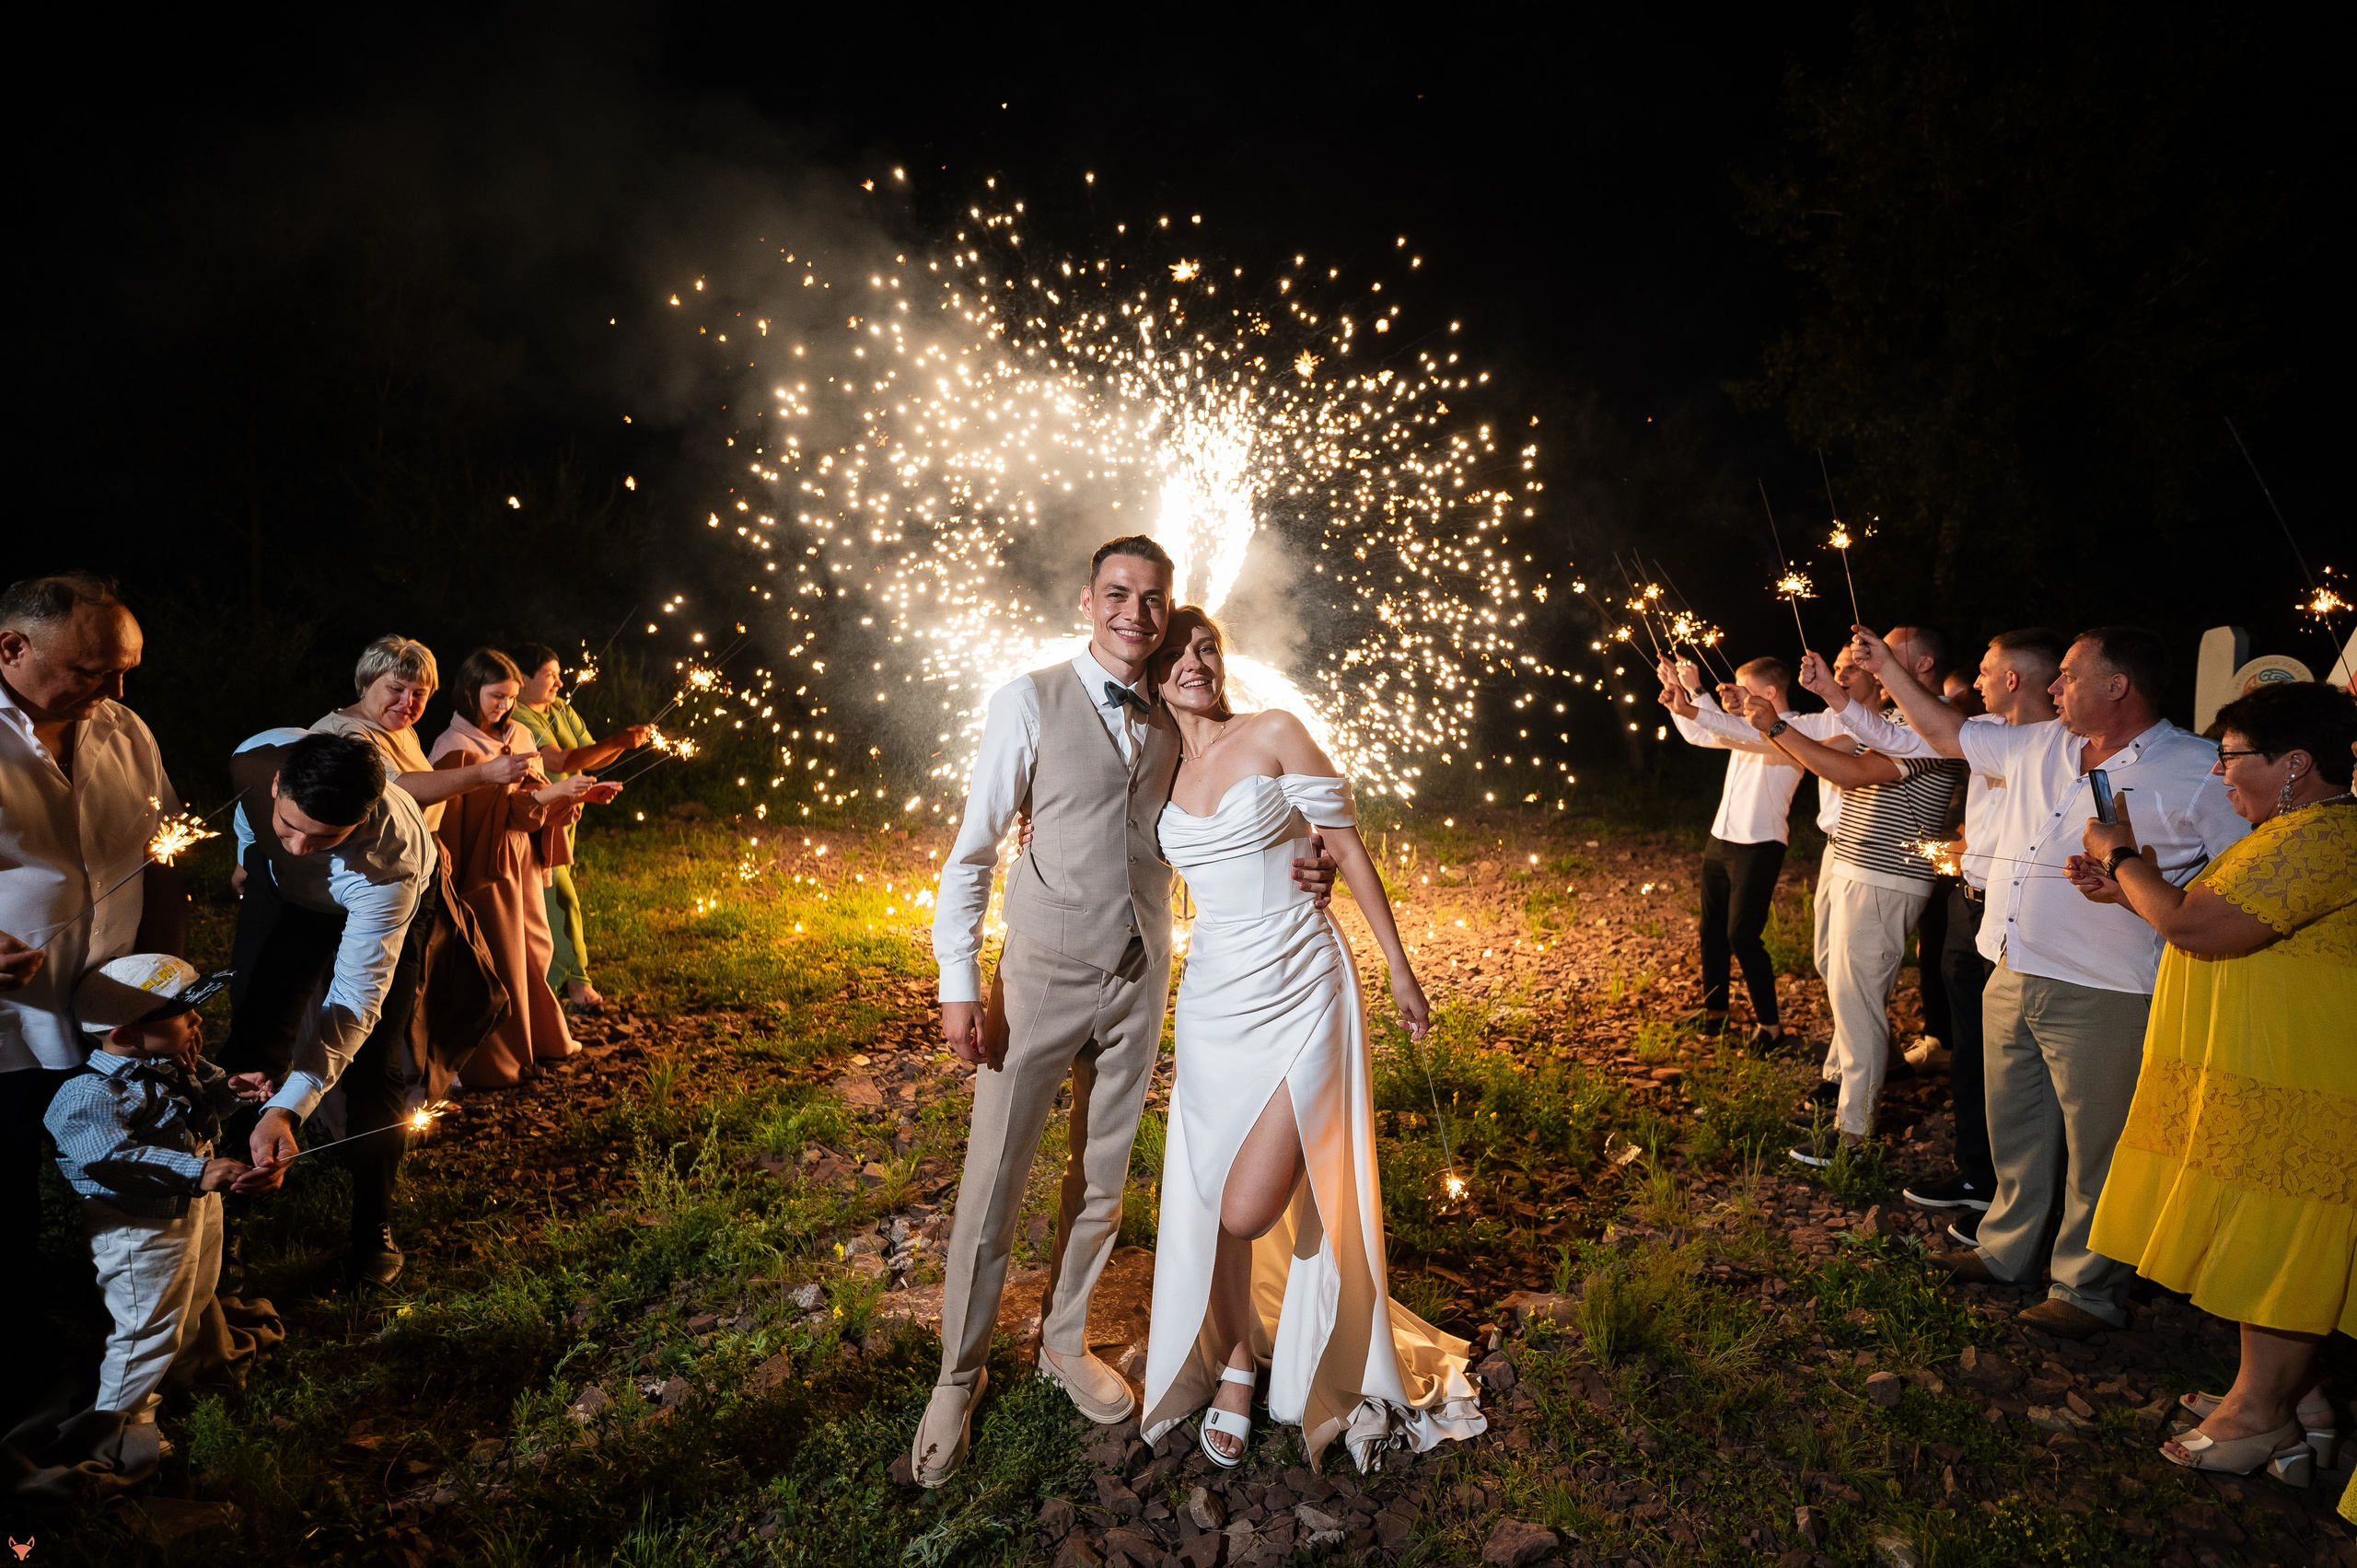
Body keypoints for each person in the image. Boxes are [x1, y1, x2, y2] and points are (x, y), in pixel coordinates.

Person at [913, 536, 1335, 1487]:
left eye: (1152, 599)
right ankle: (957, 1372)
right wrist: (956, 979)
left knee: (1101, 1182)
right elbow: (973, 849)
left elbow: (1255, 802)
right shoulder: (1028, 699)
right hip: (1039, 978)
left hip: (1140, 980)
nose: (1136, 615)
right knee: (993, 1184)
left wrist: (1307, 859)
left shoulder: (1176, 712)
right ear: (1086, 597)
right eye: (1117, 594)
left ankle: (1064, 1338)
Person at [1140, 607, 1485, 1473]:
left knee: (1248, 1205)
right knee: (1213, 1187)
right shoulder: (1150, 769)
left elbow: (1346, 847)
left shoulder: (1277, 731)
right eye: (1176, 654)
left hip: (1302, 985)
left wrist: (1398, 966)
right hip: (1214, 1000)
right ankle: (1234, 1362)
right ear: (1149, 675)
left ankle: (1269, 1348)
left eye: (1207, 646)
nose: (1196, 663)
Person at [1853, 624, 2249, 1338]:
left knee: (2100, 1146)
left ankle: (2087, 1288)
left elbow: (2237, 882)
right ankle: (2008, 1248)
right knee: (2018, 1128)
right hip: (2011, 964)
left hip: (2107, 988)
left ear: (2117, 686)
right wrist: (1887, 667)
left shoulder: (2196, 769)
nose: (2056, 686)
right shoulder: (2041, 745)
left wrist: (2138, 882)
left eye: (2069, 674)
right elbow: (1945, 731)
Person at [2067, 680, 2356, 1481]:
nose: (2221, 775)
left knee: (2283, 1248)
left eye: (2232, 757)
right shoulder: (2288, 830)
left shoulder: (2328, 836)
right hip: (2265, 1074)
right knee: (2262, 1242)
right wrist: (2129, 892)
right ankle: (2293, 1402)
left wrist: (2119, 853)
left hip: (2309, 1081)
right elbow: (2215, 917)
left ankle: (2262, 1414)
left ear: (2295, 762)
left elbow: (2199, 925)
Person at [1811, 629, 2065, 1224]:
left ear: (2012, 679)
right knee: (1973, 1049)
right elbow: (1897, 734)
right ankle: (1978, 1171)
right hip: (1970, 899)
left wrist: (1878, 671)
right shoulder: (1993, 733)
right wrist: (1831, 690)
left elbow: (1902, 745)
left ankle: (2017, 1194)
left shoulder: (2054, 743)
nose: (1973, 681)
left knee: (2013, 1054)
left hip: (2021, 909)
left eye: (1984, 669)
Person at [0, 572, 188, 1370]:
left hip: (112, 1016)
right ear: (11, 646)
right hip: (9, 1029)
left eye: (125, 671)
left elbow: (163, 859)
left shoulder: (123, 731)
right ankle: (17, 1343)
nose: (113, 688)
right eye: (91, 669)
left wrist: (165, 988)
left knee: (116, 1171)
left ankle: (118, 1317)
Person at [25, 957, 280, 1490]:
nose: (198, 1023)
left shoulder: (172, 1062)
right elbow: (112, 1158)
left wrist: (233, 1090)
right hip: (139, 1229)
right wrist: (199, 1169)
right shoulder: (87, 1097)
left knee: (195, 1290)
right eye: (184, 1014)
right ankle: (124, 1424)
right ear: (123, 1034)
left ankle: (183, 1370)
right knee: (146, 1322)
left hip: (194, 1207)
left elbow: (205, 1097)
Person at [1735, 628, 1968, 1156]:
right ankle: (1864, 1071)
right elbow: (1828, 748)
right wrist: (1776, 721)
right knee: (1834, 973)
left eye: (1886, 649)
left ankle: (1853, 1133)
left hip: (1886, 876)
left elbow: (1854, 772)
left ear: (1924, 662)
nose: (1869, 655)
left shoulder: (1937, 726)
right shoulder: (1885, 719)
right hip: (1847, 860)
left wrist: (1775, 725)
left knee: (1858, 999)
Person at [222, 732, 437, 1285]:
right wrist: (250, 854)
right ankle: (225, 1219)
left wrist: (289, 1106)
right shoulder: (257, 759)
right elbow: (253, 820)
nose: (298, 846)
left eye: (322, 837)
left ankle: (373, 1227)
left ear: (362, 819)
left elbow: (353, 1000)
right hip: (284, 900)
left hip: (374, 906)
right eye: (289, 824)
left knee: (377, 1064)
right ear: (276, 785)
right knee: (250, 1040)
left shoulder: (391, 866)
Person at [429, 649, 609, 1086]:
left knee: (534, 950)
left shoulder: (520, 737)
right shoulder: (455, 748)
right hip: (486, 866)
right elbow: (481, 817)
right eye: (495, 696)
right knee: (499, 956)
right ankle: (491, 1061)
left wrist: (577, 795)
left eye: (510, 698)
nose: (504, 707)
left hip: (522, 858)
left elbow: (533, 799)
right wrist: (551, 793)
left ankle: (542, 1038)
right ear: (471, 691)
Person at [1656, 655, 1808, 1051]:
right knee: (1711, 931)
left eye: (1745, 688)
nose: (1735, 694)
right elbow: (1701, 734)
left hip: (1760, 845)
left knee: (1742, 935)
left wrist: (1697, 694)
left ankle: (1771, 1028)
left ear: (1770, 693)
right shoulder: (1744, 727)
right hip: (1721, 839)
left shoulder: (1792, 730)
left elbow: (1722, 726)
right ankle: (1715, 1013)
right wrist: (1682, 692)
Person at [507, 642, 651, 1011]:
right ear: (521, 679)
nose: (559, 683)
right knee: (560, 897)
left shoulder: (560, 709)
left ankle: (545, 983)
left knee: (550, 899)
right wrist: (618, 741)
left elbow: (591, 755)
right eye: (550, 675)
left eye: (559, 674)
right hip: (533, 816)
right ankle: (574, 983)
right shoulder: (518, 716)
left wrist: (624, 743)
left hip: (564, 814)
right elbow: (562, 758)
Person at [308, 635, 538, 839]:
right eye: (396, 689)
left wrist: (434, 846)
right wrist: (485, 773)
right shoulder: (344, 733)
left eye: (419, 694)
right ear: (367, 682)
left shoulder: (399, 726)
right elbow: (396, 788)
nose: (407, 702)